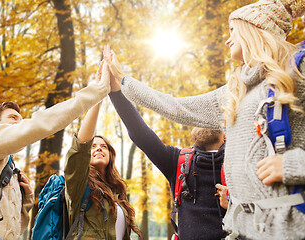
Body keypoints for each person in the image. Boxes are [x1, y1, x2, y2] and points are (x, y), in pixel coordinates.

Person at [103, 0, 305, 239]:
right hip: (242, 231)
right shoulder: (235, 90)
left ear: (254, 28)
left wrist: (293, 165)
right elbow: (176, 107)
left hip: (288, 228)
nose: (228, 39)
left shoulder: (295, 71)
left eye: (233, 30)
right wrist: (124, 81)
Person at [0, 61, 111, 239]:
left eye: (21, 120)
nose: (19, 124)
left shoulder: (8, 169)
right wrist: (97, 91)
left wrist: (26, 200)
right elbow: (40, 124)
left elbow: (15, 230)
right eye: (13, 117)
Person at [108, 77, 226, 239]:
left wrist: (234, 204)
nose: (203, 121)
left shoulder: (240, 159)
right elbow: (139, 132)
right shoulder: (178, 161)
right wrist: (115, 92)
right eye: (199, 117)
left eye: (209, 115)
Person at [64, 95, 141, 239]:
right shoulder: (79, 185)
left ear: (110, 155)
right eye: (92, 147)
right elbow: (80, 147)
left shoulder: (116, 192)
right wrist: (97, 98)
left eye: (103, 147)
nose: (98, 149)